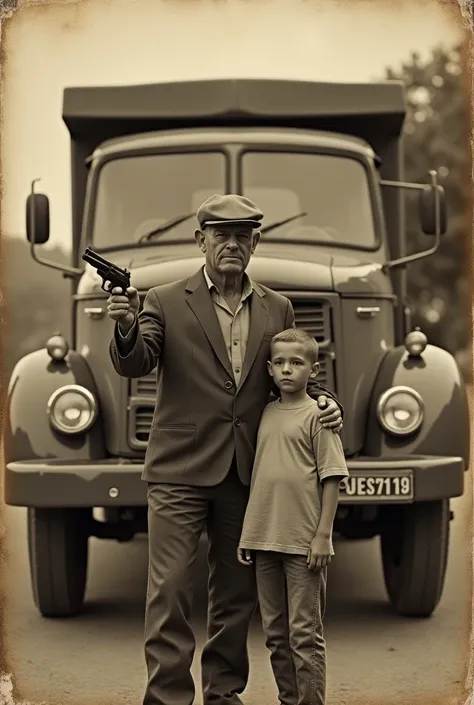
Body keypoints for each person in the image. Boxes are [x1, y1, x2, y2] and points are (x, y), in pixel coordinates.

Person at [106, 193, 343, 705]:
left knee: (235, 598)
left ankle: (223, 694)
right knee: (169, 590)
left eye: (242, 235)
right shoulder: (165, 299)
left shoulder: (278, 306)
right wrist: (124, 325)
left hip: (246, 471)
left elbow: (290, 373)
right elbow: (136, 362)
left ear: (255, 242)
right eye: (221, 235)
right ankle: (168, 697)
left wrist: (324, 402)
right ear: (201, 241)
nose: (232, 244)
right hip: (177, 470)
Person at [238, 327, 349, 705]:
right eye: (280, 363)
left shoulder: (320, 417)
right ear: (269, 369)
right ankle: (290, 700)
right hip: (263, 541)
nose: (287, 370)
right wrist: (248, 536)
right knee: (275, 633)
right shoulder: (265, 413)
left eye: (297, 363)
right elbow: (262, 479)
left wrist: (323, 535)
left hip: (304, 544)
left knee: (304, 633)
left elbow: (332, 477)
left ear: (313, 371)